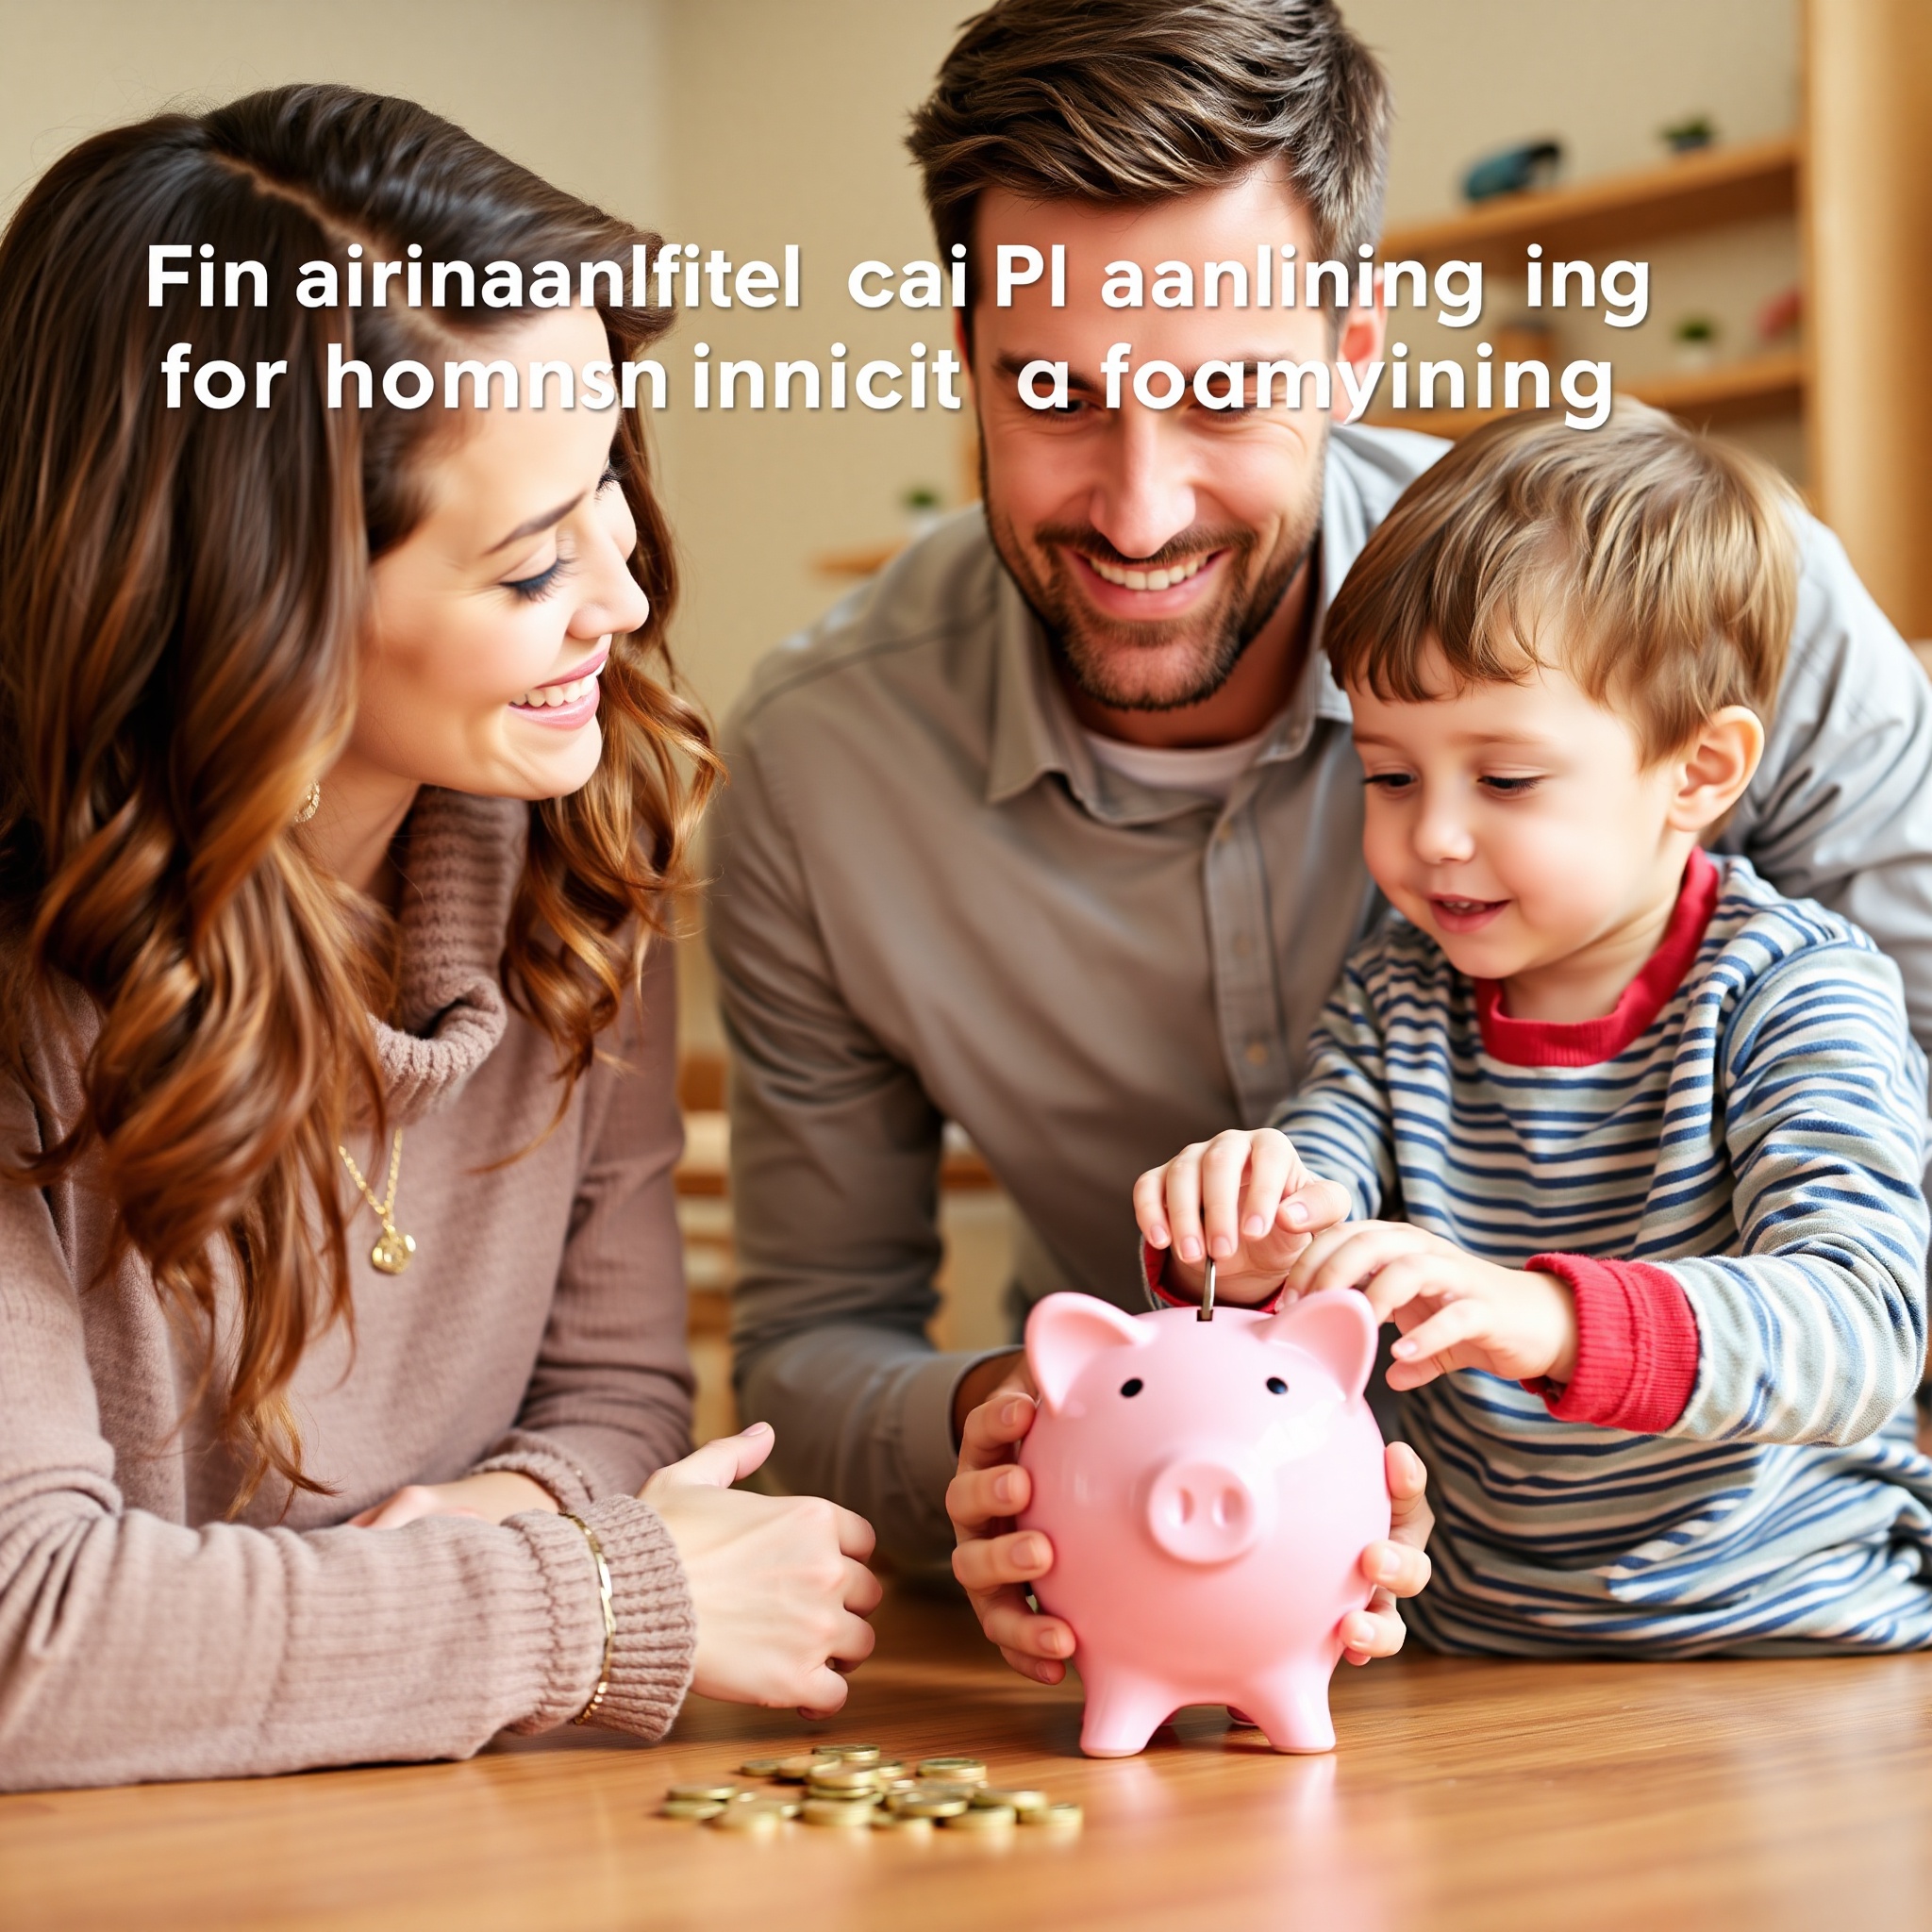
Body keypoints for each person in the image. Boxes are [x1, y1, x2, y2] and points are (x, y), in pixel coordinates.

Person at [708, 0, 1932, 1686]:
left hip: (1799, 1628)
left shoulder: (1716, 621)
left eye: (1227, 393)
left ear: (1354, 348)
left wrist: (1570, 1327)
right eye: (1053, 392)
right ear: (965, 359)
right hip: (1332, 1640)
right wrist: (1018, 1431)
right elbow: (810, 1347)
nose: (1140, 510)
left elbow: (1878, 1263)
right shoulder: (818, 767)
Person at [0, 85, 875, 1792]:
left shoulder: (576, 869)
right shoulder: (30, 994)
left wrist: (481, 1537)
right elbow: (33, 1638)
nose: (625, 598)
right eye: (532, 563)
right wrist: (591, 1596)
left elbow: (616, 1397)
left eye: (608, 483)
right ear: (259, 610)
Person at [1135, 404, 1932, 1652]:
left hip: (1808, 1645)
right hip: (1469, 1651)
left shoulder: (1797, 991)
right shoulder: (1393, 997)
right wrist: (1238, 1241)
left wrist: (1551, 1320)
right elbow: (1309, 1217)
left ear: (1700, 772)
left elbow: (1864, 1328)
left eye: (1505, 779)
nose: (1436, 834)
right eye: (1390, 774)